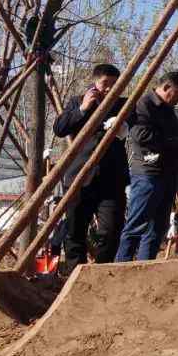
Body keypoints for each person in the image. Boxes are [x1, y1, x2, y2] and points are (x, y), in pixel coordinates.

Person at [52, 63, 130, 271]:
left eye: (115, 84)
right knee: (75, 229)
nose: (109, 88)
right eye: (105, 83)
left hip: (111, 178)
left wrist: (124, 127)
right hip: (80, 176)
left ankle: (103, 271)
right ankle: (73, 272)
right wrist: (83, 109)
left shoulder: (124, 105)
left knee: (111, 229)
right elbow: (60, 128)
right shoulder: (78, 101)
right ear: (95, 82)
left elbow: (141, 124)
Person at [115, 71, 178, 262]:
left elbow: (176, 136)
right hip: (148, 171)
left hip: (168, 173)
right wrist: (177, 142)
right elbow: (141, 136)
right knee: (137, 223)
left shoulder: (170, 111)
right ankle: (120, 268)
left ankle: (146, 267)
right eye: (177, 94)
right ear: (166, 87)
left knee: (157, 228)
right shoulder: (142, 105)